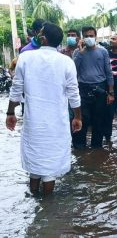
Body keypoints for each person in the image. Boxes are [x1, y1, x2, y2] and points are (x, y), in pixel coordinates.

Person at [5, 22, 82, 196]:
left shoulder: (25, 58)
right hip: (57, 122)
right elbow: (74, 94)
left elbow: (16, 89)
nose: (37, 35)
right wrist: (77, 117)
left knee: (35, 162)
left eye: (39, 33)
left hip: (34, 121)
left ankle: (35, 201)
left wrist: (11, 113)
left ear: (43, 38)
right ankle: (47, 207)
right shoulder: (66, 62)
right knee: (50, 168)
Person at [72, 26, 114, 149]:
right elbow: (73, 70)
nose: (89, 38)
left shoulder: (103, 51)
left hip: (100, 88)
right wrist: (80, 52)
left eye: (91, 35)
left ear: (95, 36)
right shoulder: (77, 53)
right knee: (82, 118)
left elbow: (109, 72)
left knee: (98, 120)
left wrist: (111, 93)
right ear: (82, 38)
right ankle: (79, 148)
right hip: (82, 88)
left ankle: (97, 148)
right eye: (86, 36)